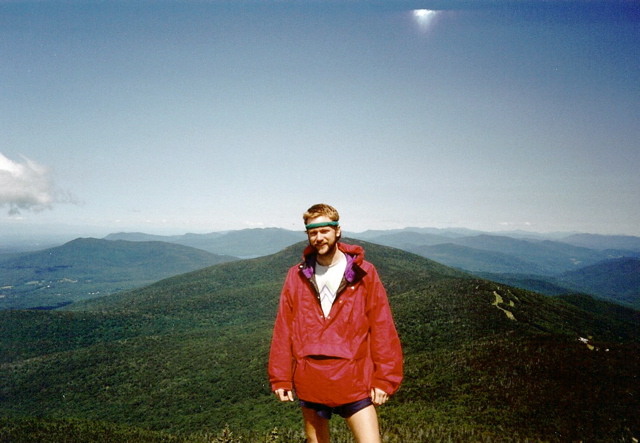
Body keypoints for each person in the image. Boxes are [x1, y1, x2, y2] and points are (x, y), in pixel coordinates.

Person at [268, 203, 403, 443]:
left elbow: (382, 325)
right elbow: (284, 327)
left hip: (354, 378)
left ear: (337, 231)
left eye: (324, 230)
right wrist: (280, 377)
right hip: (310, 377)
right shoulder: (297, 275)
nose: (319, 237)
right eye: (313, 232)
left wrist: (384, 379)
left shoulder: (364, 273)